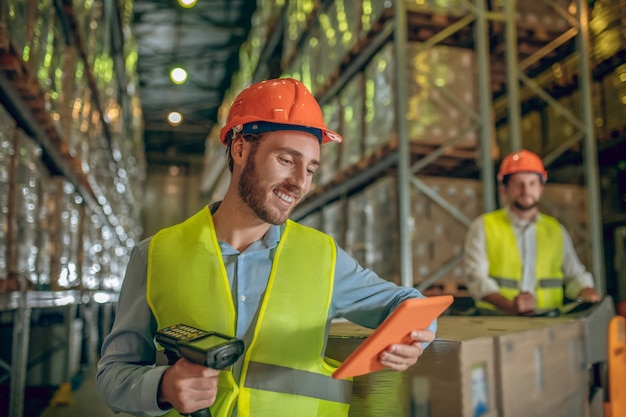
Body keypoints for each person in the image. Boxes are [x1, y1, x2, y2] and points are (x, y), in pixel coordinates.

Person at [96, 78, 437, 417]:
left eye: (311, 168)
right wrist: (163, 386)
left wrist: (412, 338)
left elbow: (407, 303)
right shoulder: (155, 255)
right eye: (287, 160)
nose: (300, 182)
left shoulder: (324, 257)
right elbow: (113, 374)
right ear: (240, 148)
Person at [463, 149, 601, 315]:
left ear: (541, 187)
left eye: (532, 183)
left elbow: (575, 275)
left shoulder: (555, 230)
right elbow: (476, 279)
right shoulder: (483, 226)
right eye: (518, 183)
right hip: (496, 320)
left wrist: (586, 291)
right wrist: (509, 306)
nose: (526, 190)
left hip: (549, 322)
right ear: (505, 189)